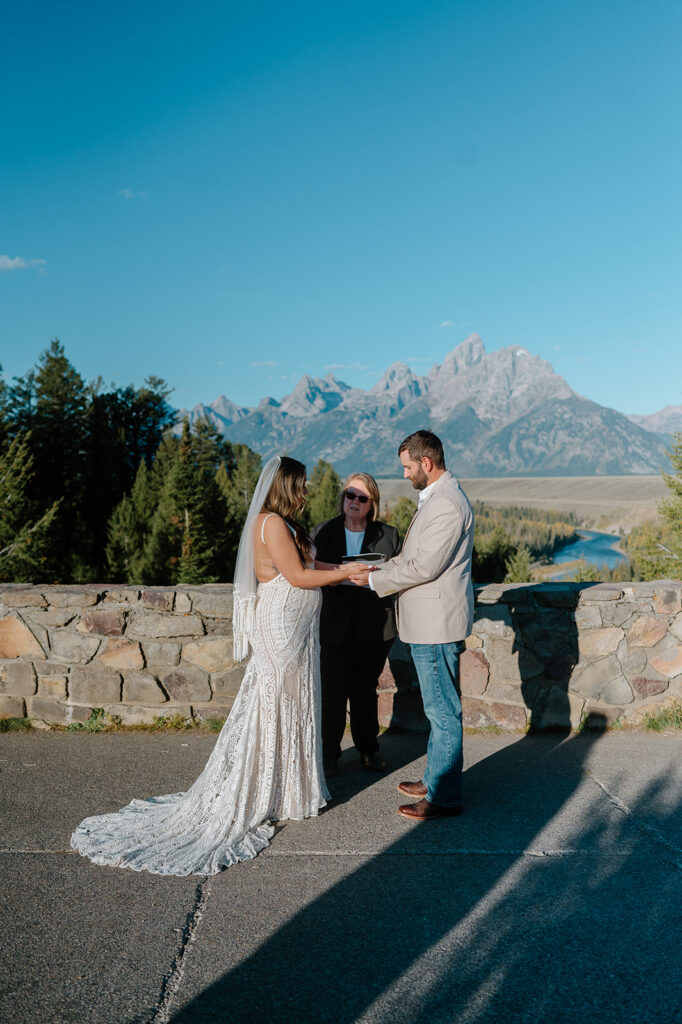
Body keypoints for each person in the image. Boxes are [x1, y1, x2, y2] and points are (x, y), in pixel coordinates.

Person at [71, 456, 369, 875]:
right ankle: (262, 789)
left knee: (295, 701)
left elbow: (307, 566)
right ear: (285, 485)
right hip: (281, 627)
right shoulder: (270, 524)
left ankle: (286, 789)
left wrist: (343, 569)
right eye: (300, 484)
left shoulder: (286, 523)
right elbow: (297, 579)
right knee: (275, 703)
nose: (306, 491)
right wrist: (343, 575)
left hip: (298, 631)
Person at [351, 430, 474, 821]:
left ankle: (444, 798)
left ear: (426, 462)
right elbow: (411, 558)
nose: (404, 474)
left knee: (442, 713)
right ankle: (435, 779)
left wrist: (372, 581)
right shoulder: (437, 499)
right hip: (428, 624)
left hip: (435, 625)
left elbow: (425, 566)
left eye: (406, 467)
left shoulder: (447, 505)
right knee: (437, 709)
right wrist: (377, 568)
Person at [311, 472, 400, 777]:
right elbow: (309, 571)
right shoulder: (322, 532)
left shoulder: (389, 535)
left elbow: (397, 576)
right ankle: (329, 754)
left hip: (373, 626)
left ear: (372, 503)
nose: (354, 502)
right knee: (332, 692)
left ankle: (368, 748)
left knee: (365, 690)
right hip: (333, 624)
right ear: (343, 498)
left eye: (362, 498)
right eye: (350, 495)